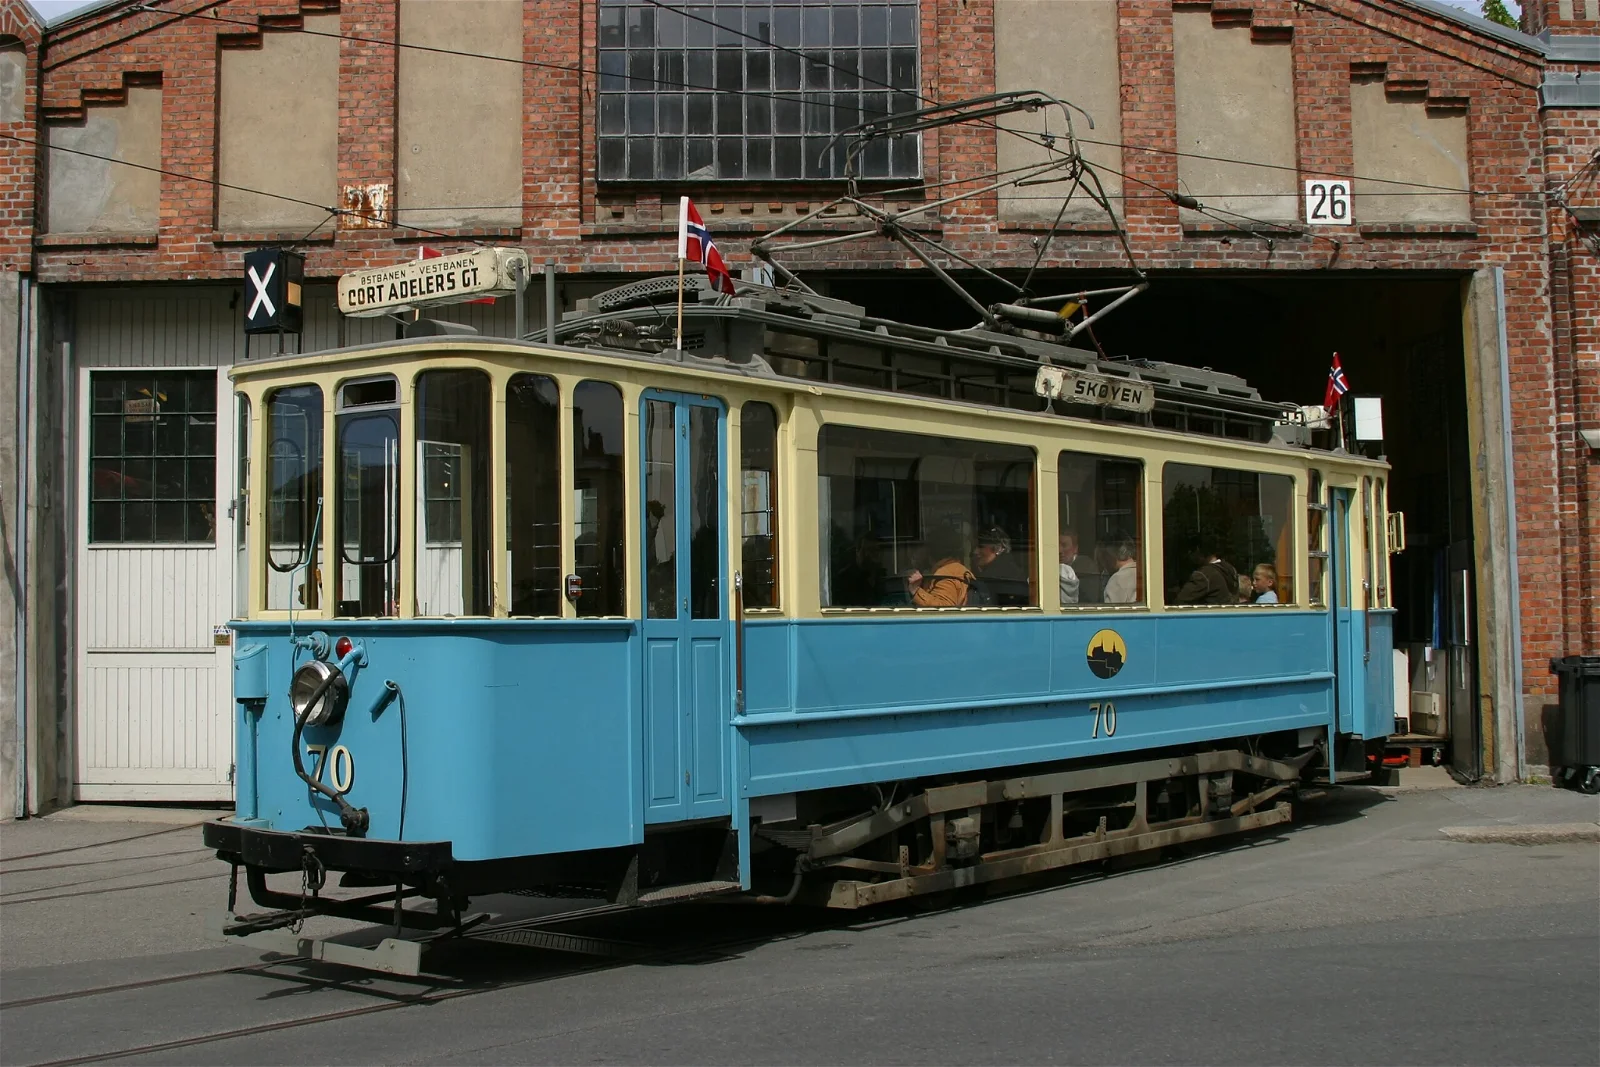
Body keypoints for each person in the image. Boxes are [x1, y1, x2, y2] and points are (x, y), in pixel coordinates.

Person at [906, 534, 977, 608]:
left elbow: (944, 609)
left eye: (917, 549)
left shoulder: (945, 574)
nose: (913, 555)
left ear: (930, 551)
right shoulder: (955, 569)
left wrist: (915, 590)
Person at [971, 525, 1028, 606]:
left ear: (998, 549)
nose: (975, 551)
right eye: (974, 547)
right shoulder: (1012, 570)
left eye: (981, 546)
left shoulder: (996, 577)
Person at [1172, 544, 1240, 606]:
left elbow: (1180, 602)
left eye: (1192, 551)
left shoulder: (1203, 575)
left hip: (1210, 617)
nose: (1190, 556)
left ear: (1199, 552)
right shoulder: (1231, 569)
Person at [1101, 536, 1140, 604]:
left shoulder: (1117, 580)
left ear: (1112, 555)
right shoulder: (1144, 573)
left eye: (1105, 555)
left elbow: (1111, 613)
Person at [1058, 531, 1081, 605]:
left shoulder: (1083, 569)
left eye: (1064, 545)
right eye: (1056, 545)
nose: (1059, 550)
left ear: (1075, 548)